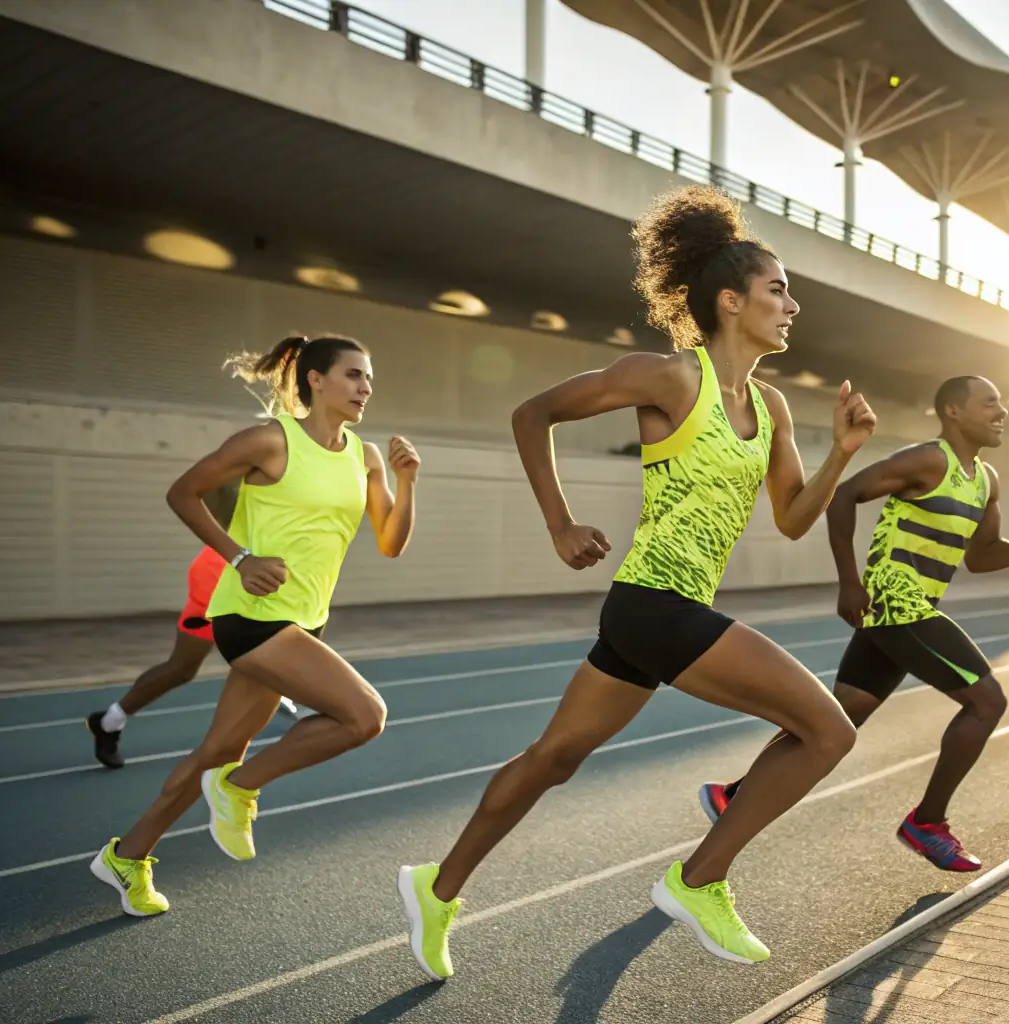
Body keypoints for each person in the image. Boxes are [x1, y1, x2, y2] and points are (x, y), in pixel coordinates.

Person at [397, 185, 876, 979]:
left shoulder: (772, 408)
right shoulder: (665, 379)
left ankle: (437, 887)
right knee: (828, 731)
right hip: (654, 605)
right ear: (731, 301)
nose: (792, 305)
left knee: (553, 758)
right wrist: (559, 523)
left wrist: (843, 453)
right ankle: (698, 881)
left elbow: (791, 517)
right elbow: (532, 413)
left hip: (663, 615)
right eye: (778, 289)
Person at [90, 334, 420, 917]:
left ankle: (128, 855)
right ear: (315, 380)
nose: (366, 388)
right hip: (249, 617)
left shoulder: (363, 455)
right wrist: (241, 559)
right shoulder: (270, 440)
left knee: (219, 748)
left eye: (369, 379)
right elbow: (183, 492)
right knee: (365, 716)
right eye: (353, 376)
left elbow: (390, 543)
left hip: (304, 622)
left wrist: (408, 480)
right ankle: (241, 787)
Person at [698, 375, 1009, 872]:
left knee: (842, 713)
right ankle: (927, 822)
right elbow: (845, 495)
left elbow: (980, 559)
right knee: (986, 703)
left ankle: (735, 795)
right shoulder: (927, 460)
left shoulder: (986, 480)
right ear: (954, 412)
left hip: (902, 612)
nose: (1002, 412)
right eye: (990, 403)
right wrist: (849, 581)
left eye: (1003, 403)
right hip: (896, 602)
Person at [84, 484, 298, 771]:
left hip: (232, 583)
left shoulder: (263, 521)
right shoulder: (235, 517)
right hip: (216, 590)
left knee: (200, 668)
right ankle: (110, 722)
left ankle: (109, 722)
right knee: (193, 667)